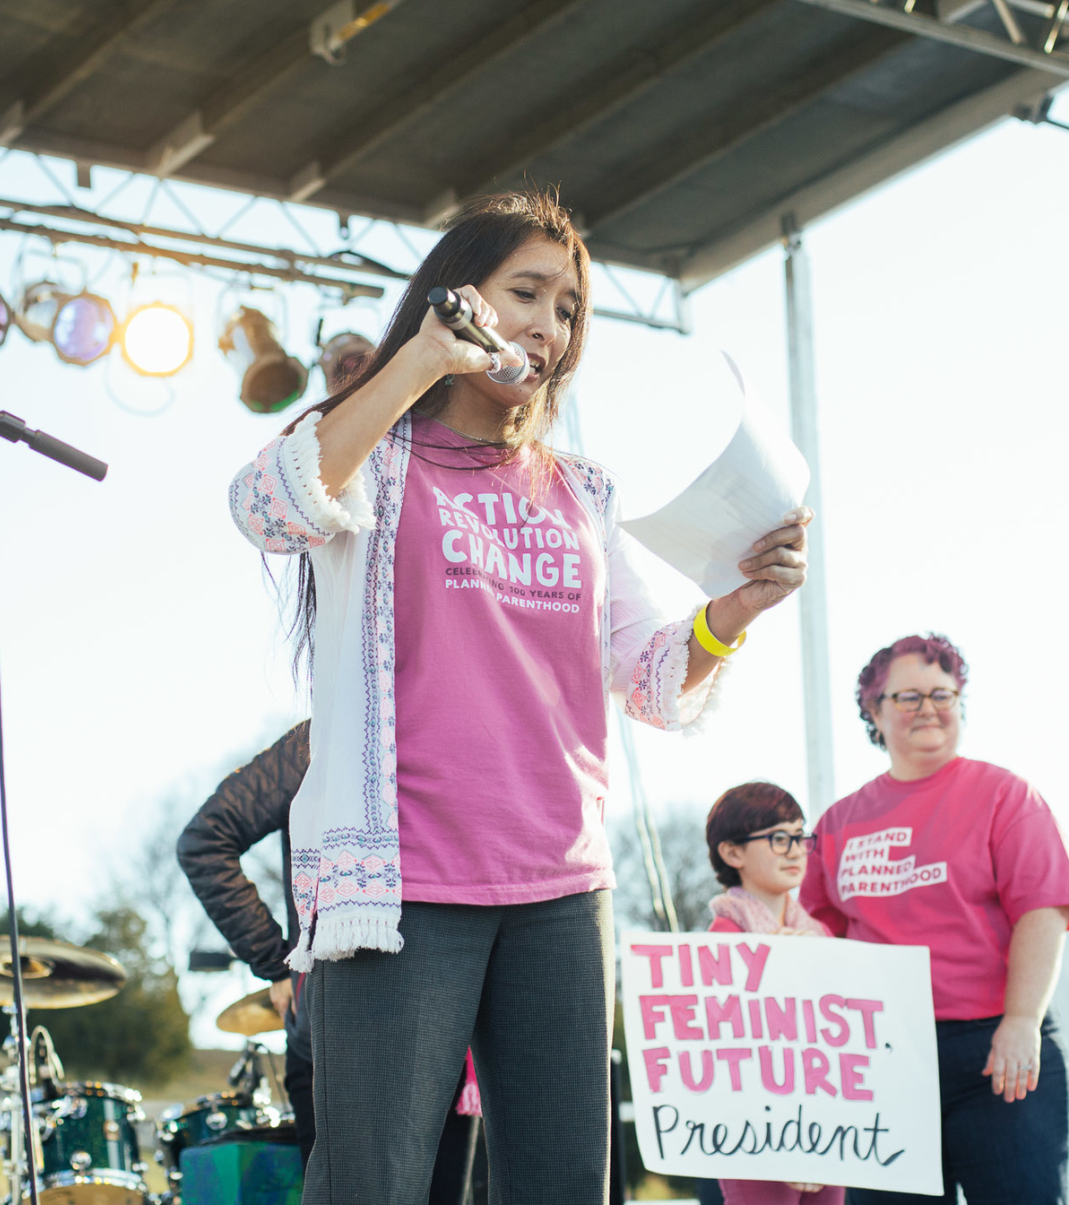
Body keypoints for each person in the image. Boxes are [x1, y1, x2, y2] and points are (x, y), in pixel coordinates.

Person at [228, 189, 812, 1204]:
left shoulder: (580, 491)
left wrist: (737, 609)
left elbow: (648, 672)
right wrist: (418, 359)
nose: (549, 326)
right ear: (458, 296)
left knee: (564, 1185)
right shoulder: (375, 453)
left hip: (560, 886)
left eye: (569, 308)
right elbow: (265, 506)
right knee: (371, 1181)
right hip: (403, 882)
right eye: (526, 293)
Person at [800, 634, 1069, 1205]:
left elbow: (1043, 910)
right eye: (908, 697)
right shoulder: (836, 823)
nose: (928, 708)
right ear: (873, 710)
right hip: (880, 1062)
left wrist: (1022, 1020)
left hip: (994, 1052)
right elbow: (813, 939)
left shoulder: (1006, 796)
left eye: (943, 694)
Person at [176, 722, 483, 1201]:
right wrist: (276, 960)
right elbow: (204, 841)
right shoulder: (320, 739)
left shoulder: (463, 727)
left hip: (448, 1030)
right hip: (342, 1033)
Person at [704, 782, 842, 1205]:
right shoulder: (722, 939)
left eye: (800, 836)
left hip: (825, 1123)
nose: (796, 850)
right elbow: (727, 1048)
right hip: (753, 1131)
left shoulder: (821, 936)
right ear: (733, 852)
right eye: (779, 838)